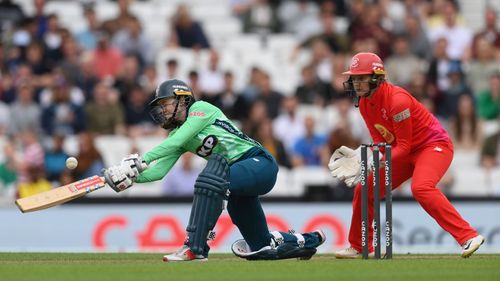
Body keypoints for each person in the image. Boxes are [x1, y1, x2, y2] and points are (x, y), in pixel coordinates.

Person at [102, 79, 325, 262]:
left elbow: (175, 141)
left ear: (183, 99)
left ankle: (195, 247)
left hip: (260, 163)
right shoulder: (176, 136)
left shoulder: (201, 110)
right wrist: (131, 177)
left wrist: (141, 159)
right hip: (237, 180)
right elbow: (158, 172)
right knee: (260, 247)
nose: (163, 109)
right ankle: (307, 240)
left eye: (167, 102)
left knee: (209, 180)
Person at [328, 52, 484, 259]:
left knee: (420, 187)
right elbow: (380, 141)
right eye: (354, 78)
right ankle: (360, 245)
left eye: (361, 78)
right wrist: (366, 155)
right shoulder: (365, 104)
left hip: (433, 146)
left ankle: (468, 236)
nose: (356, 83)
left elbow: (404, 144)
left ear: (377, 77)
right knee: (365, 189)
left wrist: (377, 160)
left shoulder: (397, 100)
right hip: (403, 152)